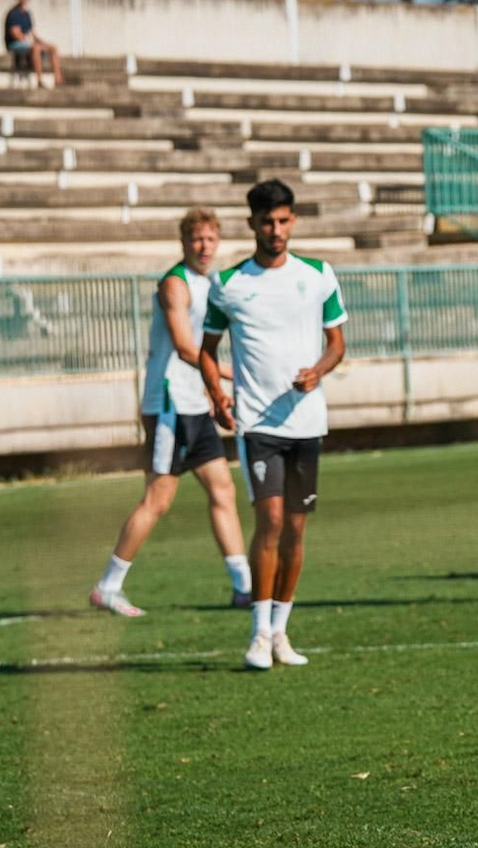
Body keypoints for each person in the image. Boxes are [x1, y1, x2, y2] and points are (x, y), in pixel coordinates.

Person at [200, 180, 347, 672]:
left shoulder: (318, 275)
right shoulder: (228, 284)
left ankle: (281, 631)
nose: (276, 230)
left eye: (284, 221)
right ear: (252, 224)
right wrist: (217, 395)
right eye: (267, 222)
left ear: (293, 221)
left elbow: (337, 343)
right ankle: (259, 632)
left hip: (307, 422)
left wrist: (318, 371)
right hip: (258, 424)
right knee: (271, 523)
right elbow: (206, 351)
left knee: (296, 531)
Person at [89, 209, 253, 617]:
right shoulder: (174, 284)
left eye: (211, 239)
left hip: (193, 403)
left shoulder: (209, 284)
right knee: (158, 500)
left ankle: (244, 588)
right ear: (183, 242)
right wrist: (229, 374)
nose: (204, 246)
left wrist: (212, 391)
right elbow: (183, 346)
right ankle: (108, 586)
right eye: (197, 239)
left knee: (222, 490)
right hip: (169, 404)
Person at [3, 0, 62, 88]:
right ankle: (39, 81)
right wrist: (30, 42)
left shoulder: (27, 14)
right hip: (14, 44)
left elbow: (33, 33)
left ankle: (58, 80)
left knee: (53, 48)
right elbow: (15, 33)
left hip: (27, 43)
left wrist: (44, 43)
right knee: (36, 48)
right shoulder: (13, 13)